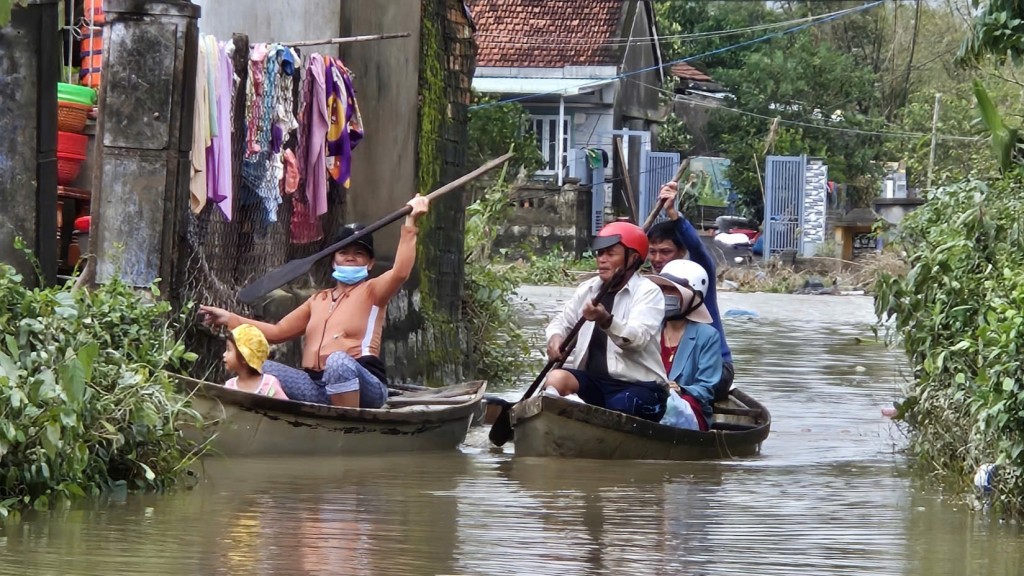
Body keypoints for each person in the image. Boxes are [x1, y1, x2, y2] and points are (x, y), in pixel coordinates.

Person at [200, 195, 430, 408]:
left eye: (359, 253)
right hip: (317, 387)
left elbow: (400, 272)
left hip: (363, 387)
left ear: (370, 263)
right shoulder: (317, 300)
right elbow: (277, 332)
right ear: (334, 261)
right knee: (261, 367)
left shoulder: (373, 291)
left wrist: (411, 223)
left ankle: (347, 426)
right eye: (343, 252)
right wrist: (230, 319)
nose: (350, 256)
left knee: (338, 362)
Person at [542, 221, 669, 422]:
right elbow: (561, 322)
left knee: (621, 406)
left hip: (640, 387)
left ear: (633, 258)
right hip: (594, 383)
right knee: (555, 378)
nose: (602, 260)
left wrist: (606, 319)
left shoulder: (648, 292)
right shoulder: (588, 289)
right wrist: (555, 339)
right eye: (600, 253)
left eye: (611, 254)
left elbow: (637, 340)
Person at [647, 181, 734, 401]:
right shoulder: (649, 286)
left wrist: (673, 214)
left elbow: (699, 251)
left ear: (681, 251)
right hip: (666, 367)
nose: (657, 259)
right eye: (652, 252)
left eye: (665, 252)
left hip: (712, 366)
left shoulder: (697, 279)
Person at [649, 260, 722, 431]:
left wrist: (680, 390)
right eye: (664, 289)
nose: (667, 295)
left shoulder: (707, 336)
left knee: (671, 404)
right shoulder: (649, 328)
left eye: (673, 290)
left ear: (692, 296)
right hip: (648, 398)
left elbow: (706, 388)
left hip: (689, 409)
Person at [222, 324, 289, 399]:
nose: (224, 354)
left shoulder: (269, 385)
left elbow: (285, 408)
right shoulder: (229, 386)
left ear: (244, 356)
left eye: (228, 349)